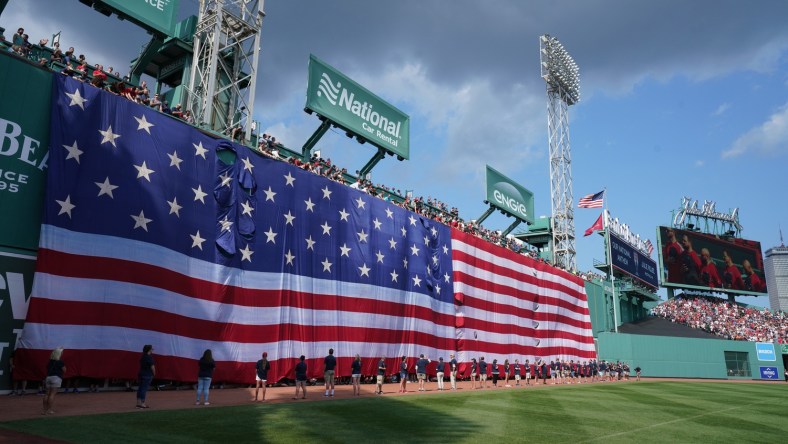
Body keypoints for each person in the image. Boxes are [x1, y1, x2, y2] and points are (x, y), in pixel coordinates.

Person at [43, 347, 66, 415]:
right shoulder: (60, 361)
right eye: (61, 352)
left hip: (48, 378)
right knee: (52, 394)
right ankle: (49, 410)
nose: (62, 353)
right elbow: (64, 370)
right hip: (56, 378)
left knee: (46, 394)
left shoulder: (50, 361)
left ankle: (44, 410)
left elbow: (47, 368)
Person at [137, 344, 155, 409]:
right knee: (144, 389)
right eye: (152, 348)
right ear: (149, 350)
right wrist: (154, 374)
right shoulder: (149, 357)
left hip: (141, 373)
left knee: (140, 388)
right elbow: (152, 367)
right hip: (147, 374)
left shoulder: (143, 356)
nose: (153, 349)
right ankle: (143, 403)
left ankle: (138, 403)